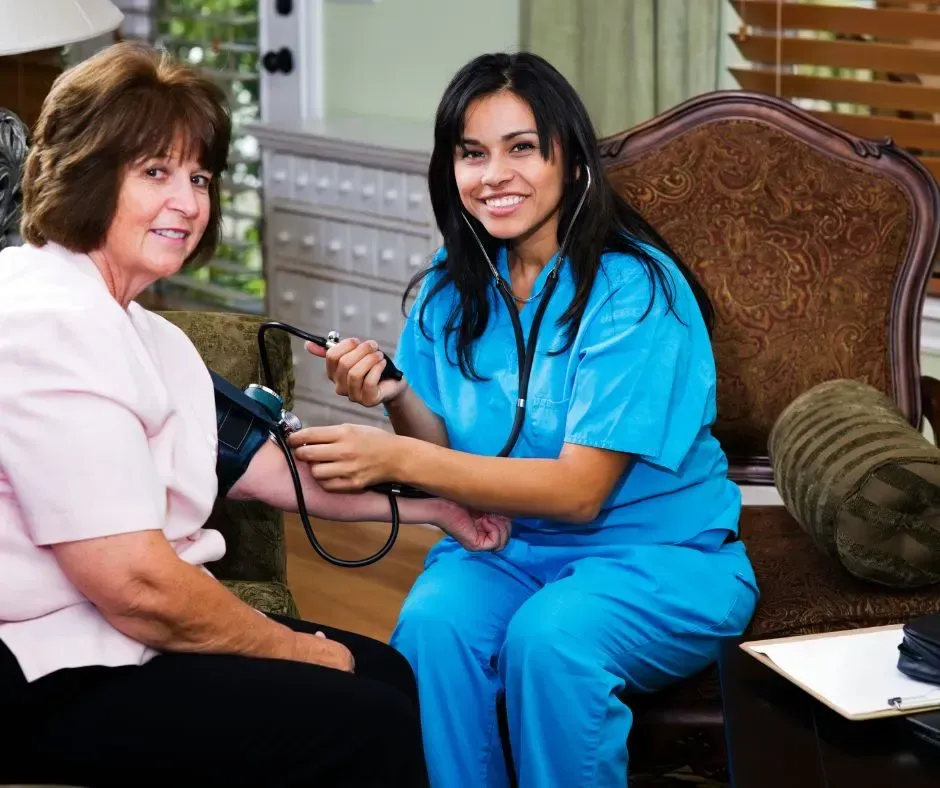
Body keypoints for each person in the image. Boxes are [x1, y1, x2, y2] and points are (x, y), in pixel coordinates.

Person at [0, 42, 511, 788]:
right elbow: (137, 587)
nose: (189, 201)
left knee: (386, 673)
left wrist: (440, 506)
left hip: (117, 640)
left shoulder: (144, 332)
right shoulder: (45, 323)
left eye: (199, 176)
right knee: (367, 717)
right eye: (155, 172)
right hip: (43, 669)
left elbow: (269, 471)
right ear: (82, 172)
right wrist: (301, 651)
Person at [292, 52, 760, 787]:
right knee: (433, 627)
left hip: (661, 557)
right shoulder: (450, 290)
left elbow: (580, 492)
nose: (493, 175)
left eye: (521, 148)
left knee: (552, 641)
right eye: (472, 153)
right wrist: (395, 397)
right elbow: (445, 449)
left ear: (569, 161)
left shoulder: (634, 290)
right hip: (504, 547)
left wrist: (395, 464)